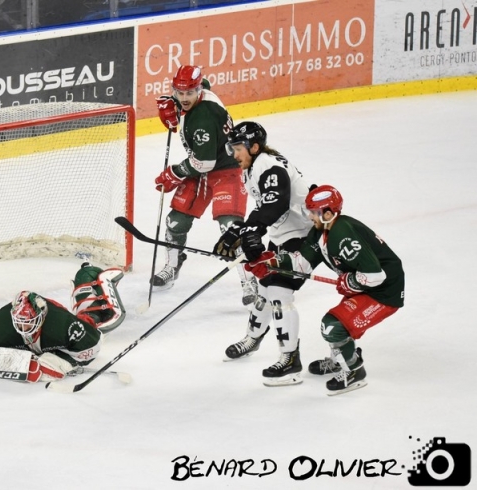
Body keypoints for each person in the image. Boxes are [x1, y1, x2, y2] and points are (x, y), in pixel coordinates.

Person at [245, 185, 405, 395]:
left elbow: (375, 275)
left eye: (313, 212)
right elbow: (302, 263)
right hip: (366, 285)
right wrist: (273, 262)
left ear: (328, 213)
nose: (309, 216)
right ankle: (339, 361)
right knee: (339, 322)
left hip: (383, 291)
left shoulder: (343, 233)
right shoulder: (321, 231)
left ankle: (354, 371)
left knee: (332, 326)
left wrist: (351, 282)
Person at [213, 121, 313, 386]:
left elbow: (276, 202)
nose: (234, 154)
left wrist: (251, 230)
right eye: (232, 148)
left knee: (280, 293)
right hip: (283, 235)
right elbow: (264, 206)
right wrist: (242, 230)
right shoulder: (253, 167)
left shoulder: (268, 165)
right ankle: (253, 338)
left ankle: (290, 360)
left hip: (302, 236)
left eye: (238, 148)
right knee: (265, 290)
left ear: (254, 147)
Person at [153, 65, 255, 305]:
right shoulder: (201, 92)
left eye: (189, 93)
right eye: (179, 92)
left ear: (198, 90)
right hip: (201, 168)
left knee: (230, 227)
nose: (184, 97)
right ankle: (173, 264)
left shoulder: (203, 118)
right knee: (175, 221)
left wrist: (175, 173)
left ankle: (249, 280)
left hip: (226, 170)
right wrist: (175, 105)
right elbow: (202, 84)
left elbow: (205, 163)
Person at [0, 263, 126, 383]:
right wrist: (17, 363)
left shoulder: (62, 324)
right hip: (4, 321)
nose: (24, 328)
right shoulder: (1, 324)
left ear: (41, 316)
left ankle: (90, 286)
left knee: (90, 319)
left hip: (59, 320)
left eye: (29, 323)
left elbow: (92, 346)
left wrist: (64, 362)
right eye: (20, 323)